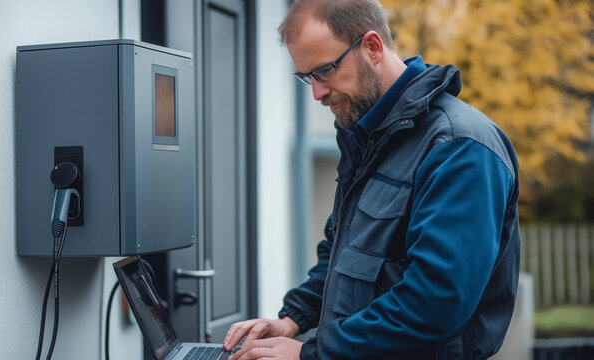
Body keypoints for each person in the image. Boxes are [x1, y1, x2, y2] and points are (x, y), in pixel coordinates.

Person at [223, 0, 520, 359]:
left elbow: (435, 301)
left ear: (373, 47)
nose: (317, 93)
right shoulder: (369, 138)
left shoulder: (459, 147)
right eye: (307, 78)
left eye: (325, 71)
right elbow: (342, 253)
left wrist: (308, 354)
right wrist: (292, 320)